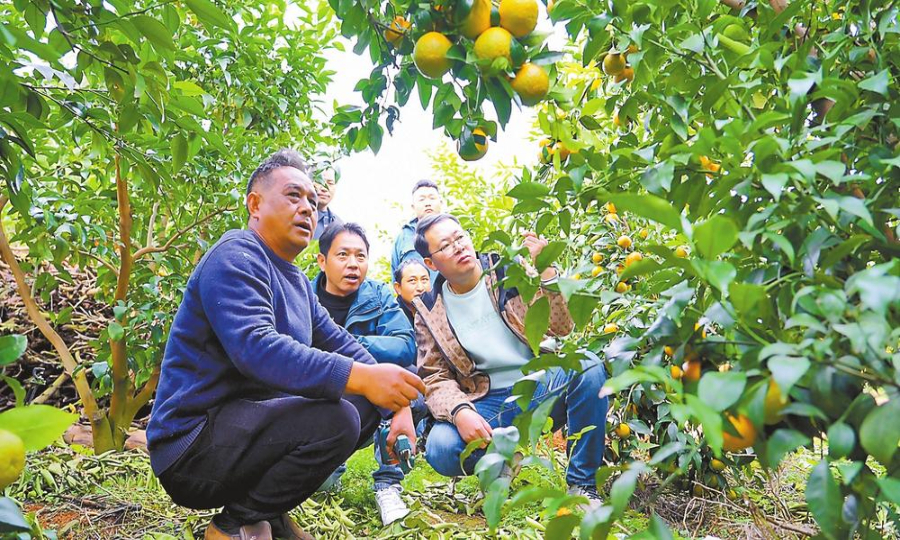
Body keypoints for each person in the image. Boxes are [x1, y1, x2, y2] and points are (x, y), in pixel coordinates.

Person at [146, 149, 425, 540]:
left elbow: (340, 342)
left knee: (362, 403)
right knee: (338, 418)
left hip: (243, 428)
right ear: (255, 204)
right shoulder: (236, 255)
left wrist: (396, 404)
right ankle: (231, 526)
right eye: (294, 196)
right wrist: (363, 378)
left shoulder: (295, 281)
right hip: (191, 446)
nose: (307, 208)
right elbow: (256, 348)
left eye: (312, 200)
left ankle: (267, 513)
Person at [411, 213, 608, 508]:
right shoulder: (429, 310)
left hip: (538, 386)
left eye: (460, 237)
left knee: (588, 366)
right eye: (445, 245)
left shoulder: (507, 271)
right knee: (441, 447)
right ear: (431, 263)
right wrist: (459, 411)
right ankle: (502, 457)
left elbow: (561, 326)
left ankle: (582, 485)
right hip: (488, 402)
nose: (458, 246)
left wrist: (546, 272)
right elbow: (434, 376)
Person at [311, 222, 420, 525]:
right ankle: (329, 465)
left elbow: (405, 346)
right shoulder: (304, 297)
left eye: (360, 256)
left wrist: (347, 343)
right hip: (322, 396)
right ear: (322, 261)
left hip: (371, 396)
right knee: (320, 486)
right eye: (343, 255)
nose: (353, 264)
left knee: (403, 380)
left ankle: (388, 482)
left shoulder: (378, 295)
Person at [390, 179, 442, 282]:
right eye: (422, 199)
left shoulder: (453, 232)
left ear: (440, 203)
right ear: (413, 207)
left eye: (432, 198)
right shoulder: (404, 237)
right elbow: (395, 276)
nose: (427, 203)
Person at [392, 258, 432, 324]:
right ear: (398, 288)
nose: (420, 288)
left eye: (424, 279)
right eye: (412, 280)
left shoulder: (438, 308)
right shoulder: (392, 316)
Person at [312, 165, 342, 241]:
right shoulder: (299, 218)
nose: (324, 188)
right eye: (320, 181)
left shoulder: (339, 224)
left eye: (330, 183)